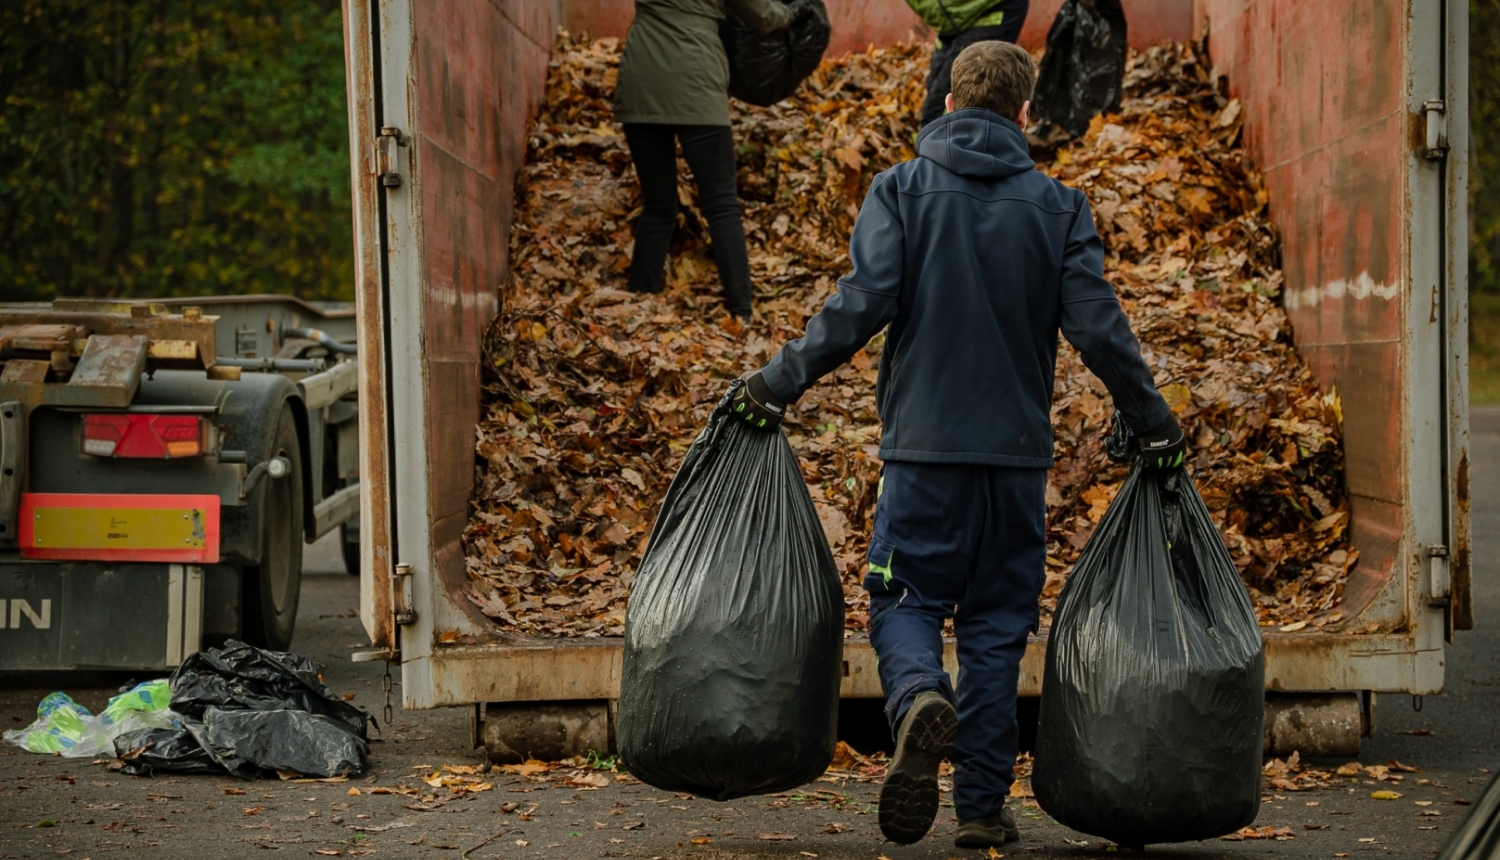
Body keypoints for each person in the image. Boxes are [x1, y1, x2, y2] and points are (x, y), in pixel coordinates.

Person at [729, 41, 1186, 849]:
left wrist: (777, 382)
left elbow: (860, 304)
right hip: (1015, 466)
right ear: (1023, 114)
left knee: (903, 598)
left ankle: (914, 699)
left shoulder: (900, 191)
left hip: (923, 460)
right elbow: (1101, 330)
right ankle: (980, 807)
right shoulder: (1059, 206)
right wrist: (1152, 419)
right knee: (998, 624)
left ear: (946, 103)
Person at [613, 0, 798, 319]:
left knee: (658, 205)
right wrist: (792, 14)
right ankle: (742, 311)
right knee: (722, 203)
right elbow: (764, 15)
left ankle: (638, 305)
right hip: (696, 82)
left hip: (640, 81)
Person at [905, 0, 1031, 127]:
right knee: (937, 84)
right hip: (954, 17)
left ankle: (948, 136)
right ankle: (934, 135)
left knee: (962, 86)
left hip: (990, 10)